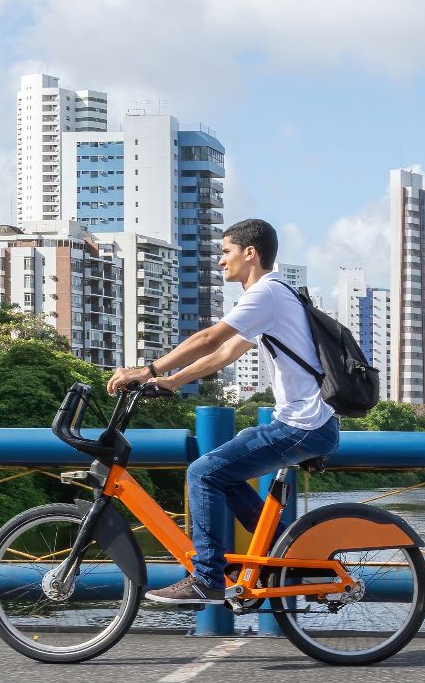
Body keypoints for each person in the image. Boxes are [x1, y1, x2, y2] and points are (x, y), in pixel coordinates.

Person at [107, 217, 338, 606]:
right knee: (224, 477)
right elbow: (225, 353)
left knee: (202, 472)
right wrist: (172, 382)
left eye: (226, 252)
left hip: (302, 425)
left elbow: (210, 338)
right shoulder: (275, 294)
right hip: (303, 422)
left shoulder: (267, 293)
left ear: (250, 253)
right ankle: (286, 557)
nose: (220, 262)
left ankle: (208, 577)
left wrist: (148, 370)